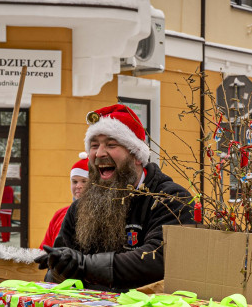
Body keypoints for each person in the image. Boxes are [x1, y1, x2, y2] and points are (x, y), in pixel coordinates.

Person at [36, 104, 192, 291]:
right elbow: (60, 274)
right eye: (94, 146)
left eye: (111, 145)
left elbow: (159, 258)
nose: (99, 153)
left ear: (136, 155)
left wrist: (85, 265)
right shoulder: (80, 208)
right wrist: (59, 268)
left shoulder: (170, 199)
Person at [40, 154, 89, 249]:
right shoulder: (60, 214)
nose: (78, 186)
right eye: (74, 182)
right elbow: (45, 247)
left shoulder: (100, 216)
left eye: (84, 181)